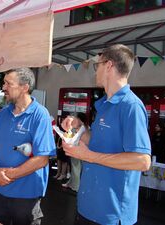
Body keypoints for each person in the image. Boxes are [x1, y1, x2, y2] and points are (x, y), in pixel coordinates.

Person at [62, 44, 151, 225]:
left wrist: (90, 156)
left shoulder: (131, 106)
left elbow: (142, 161)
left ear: (109, 66)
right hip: (87, 207)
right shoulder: (104, 105)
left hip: (111, 214)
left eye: (98, 65)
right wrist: (79, 128)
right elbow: (96, 142)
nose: (96, 71)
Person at [0, 68, 56, 225]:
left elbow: (42, 159)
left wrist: (9, 174)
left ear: (25, 87)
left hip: (26, 195)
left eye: (8, 84)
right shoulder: (3, 114)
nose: (3, 87)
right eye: (4, 83)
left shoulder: (40, 115)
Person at [62, 113, 89, 192]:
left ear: (79, 119)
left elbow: (73, 138)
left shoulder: (81, 128)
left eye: (76, 118)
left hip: (78, 150)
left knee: (76, 169)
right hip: (78, 150)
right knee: (75, 168)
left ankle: (76, 186)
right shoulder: (84, 127)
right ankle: (72, 183)